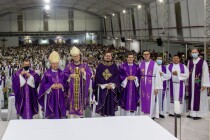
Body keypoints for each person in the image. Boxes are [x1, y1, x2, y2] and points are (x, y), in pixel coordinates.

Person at [64, 47, 92, 118]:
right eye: (74, 56)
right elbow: (64, 75)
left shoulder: (84, 65)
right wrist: (70, 75)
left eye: (77, 56)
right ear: (72, 57)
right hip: (72, 91)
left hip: (81, 91)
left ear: (79, 56)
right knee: (71, 115)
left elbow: (90, 74)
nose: (76, 57)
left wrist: (84, 73)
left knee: (81, 114)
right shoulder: (69, 66)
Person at [38, 51, 66, 119]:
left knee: (59, 114)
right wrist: (51, 86)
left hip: (60, 96)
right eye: (54, 64)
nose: (55, 65)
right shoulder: (47, 73)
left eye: (56, 63)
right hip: (50, 96)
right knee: (51, 114)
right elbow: (43, 84)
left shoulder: (61, 73)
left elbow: (65, 83)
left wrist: (61, 86)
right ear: (51, 64)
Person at [94, 51, 120, 116]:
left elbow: (116, 76)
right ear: (104, 57)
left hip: (111, 87)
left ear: (111, 57)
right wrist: (106, 85)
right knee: (102, 102)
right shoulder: (100, 66)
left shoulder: (114, 66)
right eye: (106, 56)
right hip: (103, 88)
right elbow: (98, 76)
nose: (108, 57)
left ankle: (111, 116)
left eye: (109, 56)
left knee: (111, 102)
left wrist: (111, 84)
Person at [139, 50, 163, 119]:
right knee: (143, 98)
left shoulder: (154, 64)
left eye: (147, 54)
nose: (146, 55)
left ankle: (151, 115)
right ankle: (143, 115)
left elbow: (158, 76)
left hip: (152, 85)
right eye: (144, 54)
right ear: (143, 55)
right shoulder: (141, 64)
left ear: (149, 55)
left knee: (151, 99)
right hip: (143, 84)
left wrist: (156, 87)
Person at [187, 49, 210, 120]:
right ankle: (192, 113)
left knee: (198, 98)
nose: (194, 53)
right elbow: (187, 72)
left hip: (199, 83)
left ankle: (198, 114)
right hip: (191, 83)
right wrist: (187, 83)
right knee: (191, 97)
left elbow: (206, 73)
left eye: (195, 52)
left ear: (198, 53)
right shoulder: (189, 62)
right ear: (191, 53)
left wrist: (205, 84)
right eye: (192, 52)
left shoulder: (203, 62)